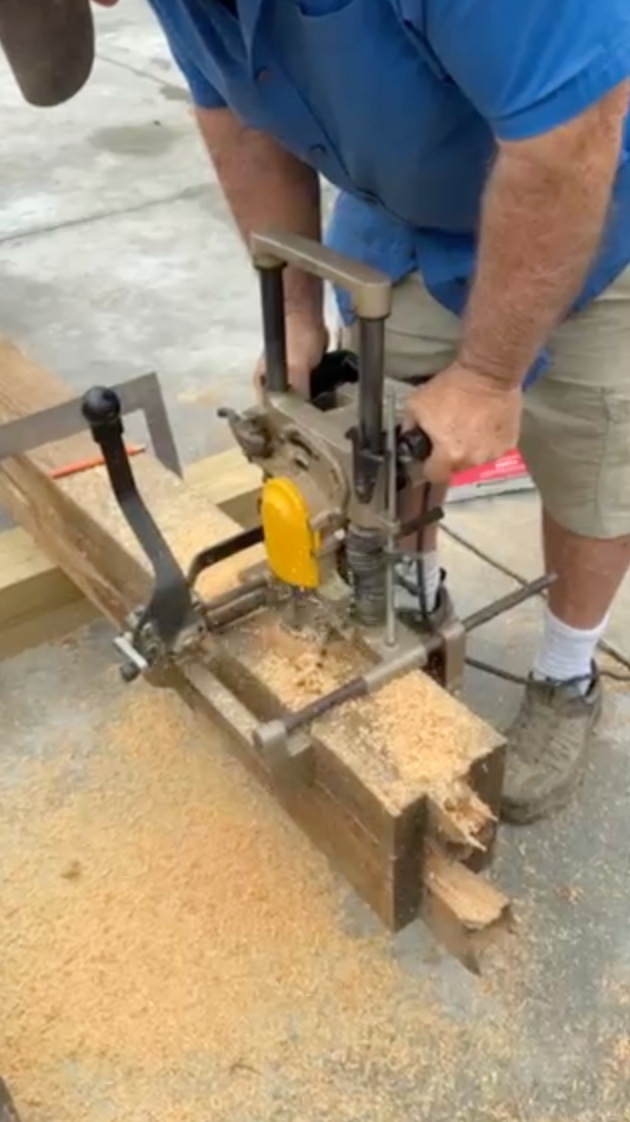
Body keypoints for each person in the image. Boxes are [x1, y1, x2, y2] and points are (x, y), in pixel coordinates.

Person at [95, 0, 630, 824]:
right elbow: (239, 125)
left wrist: (489, 377)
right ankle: (409, 604)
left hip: (593, 191)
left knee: (594, 465)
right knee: (381, 437)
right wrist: (298, 310)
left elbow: (570, 138)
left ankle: (567, 675)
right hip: (405, 209)